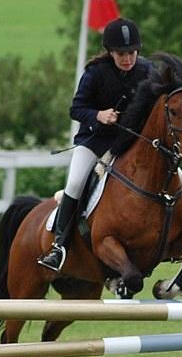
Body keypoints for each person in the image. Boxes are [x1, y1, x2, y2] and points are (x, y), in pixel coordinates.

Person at [38, 18, 152, 272]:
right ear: (111, 52)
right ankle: (59, 246)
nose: (127, 59)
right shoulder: (95, 73)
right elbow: (76, 109)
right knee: (76, 182)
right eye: (121, 54)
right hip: (95, 142)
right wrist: (99, 115)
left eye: (132, 53)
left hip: (131, 144)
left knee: (174, 174)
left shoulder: (147, 71)